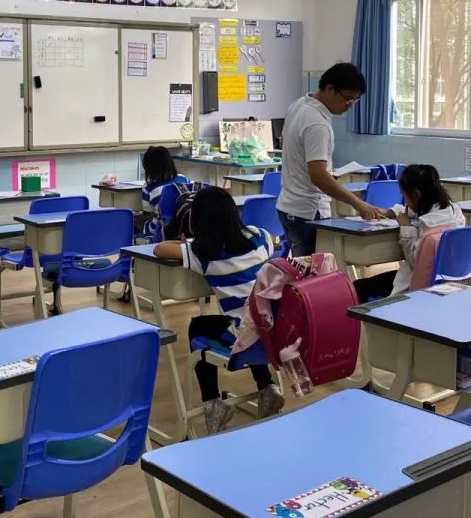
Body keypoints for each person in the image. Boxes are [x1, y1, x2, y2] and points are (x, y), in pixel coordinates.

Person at [154, 187, 283, 434]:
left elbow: (160, 249)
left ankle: (213, 403)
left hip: (246, 339)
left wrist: (184, 243)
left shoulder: (204, 253)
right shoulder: (259, 236)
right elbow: (271, 243)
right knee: (249, 319)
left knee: (199, 326)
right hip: (274, 333)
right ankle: (267, 388)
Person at [276, 62, 382, 256]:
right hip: (308, 210)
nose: (350, 105)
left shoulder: (299, 105)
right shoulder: (317, 123)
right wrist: (358, 204)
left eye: (355, 100)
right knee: (312, 272)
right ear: (329, 89)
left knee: (302, 267)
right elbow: (318, 176)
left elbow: (293, 149)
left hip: (288, 205)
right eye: (347, 98)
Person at [352, 165, 465, 302]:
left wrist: (406, 227)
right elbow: (411, 210)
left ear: (416, 195)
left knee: (358, 287)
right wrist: (387, 212)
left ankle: (372, 316)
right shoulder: (452, 211)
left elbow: (416, 262)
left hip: (420, 286)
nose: (405, 201)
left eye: (404, 195)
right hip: (448, 282)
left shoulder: (428, 225)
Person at [140, 145, 191, 240]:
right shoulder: (184, 179)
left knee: (143, 225)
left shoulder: (148, 189)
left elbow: (148, 212)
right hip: (186, 228)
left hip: (163, 231)